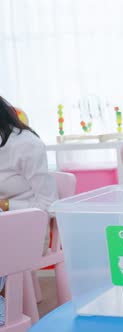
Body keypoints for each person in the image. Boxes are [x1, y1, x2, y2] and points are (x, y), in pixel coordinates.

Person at [0, 96, 58, 326]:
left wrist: (6, 205)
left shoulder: (26, 145)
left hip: (29, 230)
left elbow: (49, 206)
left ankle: (6, 317)